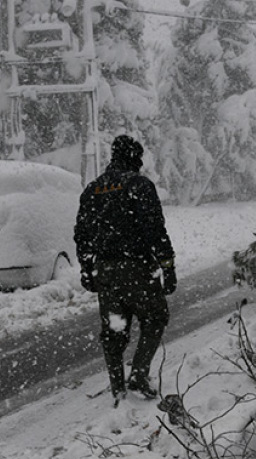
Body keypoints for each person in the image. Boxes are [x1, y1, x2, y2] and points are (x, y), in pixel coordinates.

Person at [74, 135, 177, 404]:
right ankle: (140, 374)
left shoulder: (92, 190)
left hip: (106, 271)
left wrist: (87, 269)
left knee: (114, 331)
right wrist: (168, 266)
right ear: (134, 158)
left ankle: (117, 387)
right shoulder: (140, 186)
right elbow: (156, 231)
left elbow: (81, 236)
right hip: (139, 268)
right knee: (155, 318)